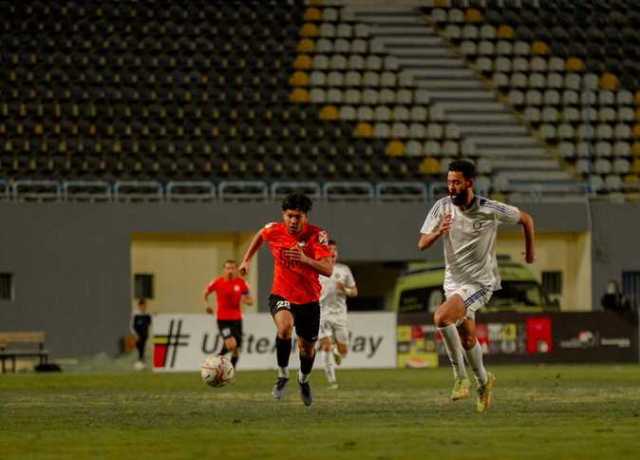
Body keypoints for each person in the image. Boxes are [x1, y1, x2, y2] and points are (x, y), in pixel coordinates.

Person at [418, 159, 535, 412]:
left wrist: (530, 251)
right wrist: (439, 232)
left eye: (457, 182)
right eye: (449, 182)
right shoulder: (442, 207)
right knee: (468, 337)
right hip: (453, 282)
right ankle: (484, 382)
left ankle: (460, 377)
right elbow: (422, 244)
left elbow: (526, 219)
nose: (451, 187)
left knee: (441, 317)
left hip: (480, 283)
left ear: (469, 183)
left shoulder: (488, 208)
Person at [239, 193, 333, 407]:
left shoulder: (317, 236)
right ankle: (282, 375)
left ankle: (303, 380)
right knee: (284, 328)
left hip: (309, 300)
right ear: (284, 215)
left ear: (305, 217)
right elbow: (260, 236)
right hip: (281, 293)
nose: (293, 221)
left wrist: (304, 259)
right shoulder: (274, 230)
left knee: (307, 349)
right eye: (289, 216)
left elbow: (328, 269)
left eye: (297, 216)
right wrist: (246, 260)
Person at [318, 240, 358, 389]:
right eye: (329, 249)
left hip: (340, 314)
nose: (333, 252)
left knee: (344, 351)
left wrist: (345, 290)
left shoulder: (344, 270)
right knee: (326, 346)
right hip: (321, 312)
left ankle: (337, 351)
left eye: (335, 249)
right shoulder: (317, 269)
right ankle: (332, 381)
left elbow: (354, 291)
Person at [203, 260, 253, 369]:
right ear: (224, 270)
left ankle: (228, 368)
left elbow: (251, 301)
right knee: (231, 345)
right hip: (223, 319)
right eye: (228, 268)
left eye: (232, 268)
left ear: (236, 270)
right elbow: (205, 293)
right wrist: (207, 305)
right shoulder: (217, 282)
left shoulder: (242, 283)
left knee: (236, 347)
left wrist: (246, 300)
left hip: (237, 319)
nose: (230, 270)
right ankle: (216, 365)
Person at [131, 298, 152, 370]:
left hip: (145, 335)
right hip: (137, 335)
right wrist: (135, 334)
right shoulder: (135, 315)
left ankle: (142, 364)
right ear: (139, 306)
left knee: (142, 349)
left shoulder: (147, 315)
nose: (144, 307)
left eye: (145, 306)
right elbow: (132, 326)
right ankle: (137, 364)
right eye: (142, 305)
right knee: (138, 349)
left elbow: (150, 324)